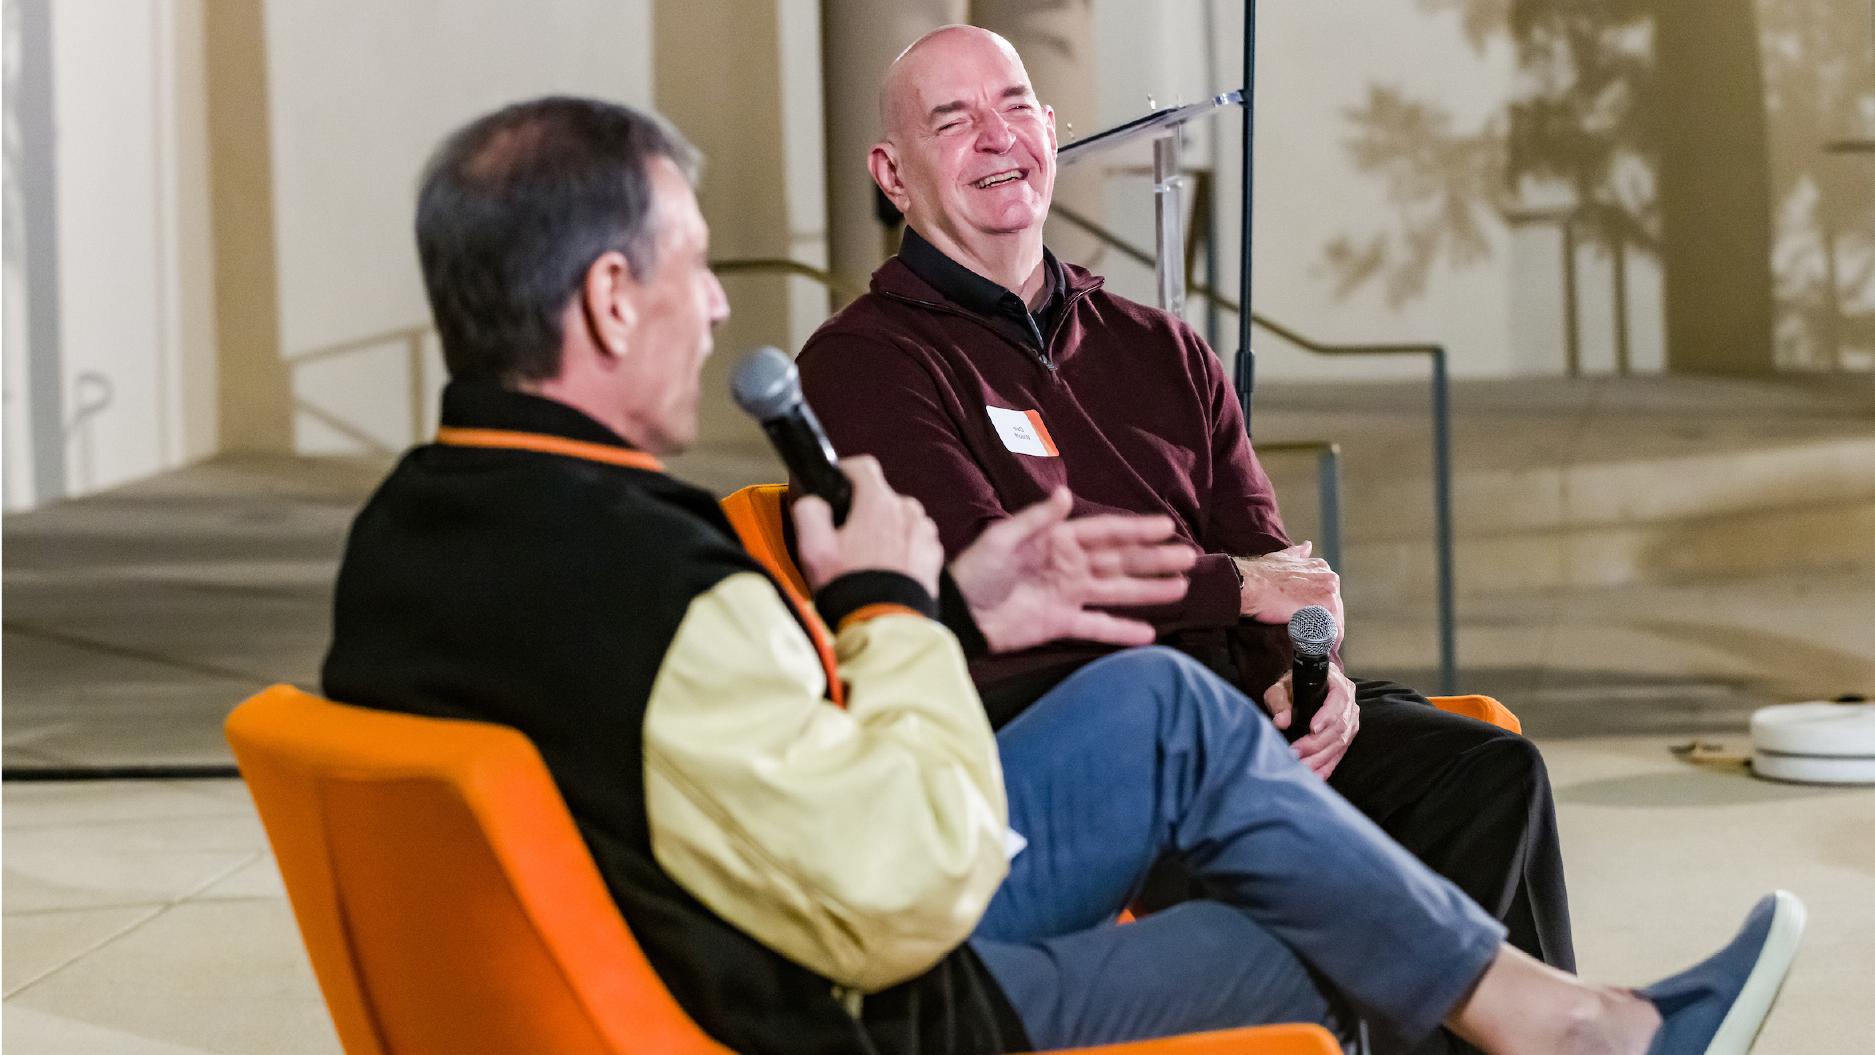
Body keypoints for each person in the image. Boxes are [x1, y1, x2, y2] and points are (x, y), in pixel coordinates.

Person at [322, 95, 1799, 1055]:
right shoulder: (665, 580)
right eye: (697, 267)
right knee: (1339, 932)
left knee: (1175, 708)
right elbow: (903, 889)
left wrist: (957, 601)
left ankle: (1571, 1022)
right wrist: (893, 608)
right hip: (859, 1004)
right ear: (606, 294)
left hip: (705, 936)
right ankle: (1567, 1029)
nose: (715, 308)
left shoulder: (409, 528)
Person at [795, 26, 1573, 1037]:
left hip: (1236, 707)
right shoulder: (864, 359)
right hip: (1065, 739)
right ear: (892, 175)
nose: (997, 137)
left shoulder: (1162, 347)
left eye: (1014, 105)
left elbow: (1276, 564)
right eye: (953, 119)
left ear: (1051, 128)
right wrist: (1233, 589)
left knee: (1483, 773)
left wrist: (1313, 676)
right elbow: (1005, 577)